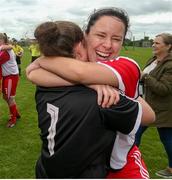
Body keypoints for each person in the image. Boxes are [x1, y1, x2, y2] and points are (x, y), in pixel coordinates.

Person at [27, 7, 154, 179]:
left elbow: (36, 72)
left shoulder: (126, 65)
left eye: (117, 39)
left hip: (121, 163)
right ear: (85, 36)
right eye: (101, 35)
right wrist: (92, 83)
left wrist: (43, 60)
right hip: (92, 164)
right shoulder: (74, 78)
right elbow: (34, 73)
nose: (108, 45)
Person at [135, 33, 172, 178]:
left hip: (163, 109)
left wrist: (145, 76)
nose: (153, 45)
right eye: (153, 42)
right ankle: (127, 162)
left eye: (157, 43)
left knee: (166, 138)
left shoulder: (170, 65)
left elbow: (164, 89)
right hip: (148, 104)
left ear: (168, 46)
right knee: (135, 134)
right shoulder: (154, 59)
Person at [0, 33, 20, 128]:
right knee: (5, 96)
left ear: (4, 41)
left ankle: (13, 119)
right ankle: (16, 113)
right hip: (7, 76)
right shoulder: (5, 49)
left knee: (10, 98)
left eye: (0, 40)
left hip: (11, 76)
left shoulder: (5, 52)